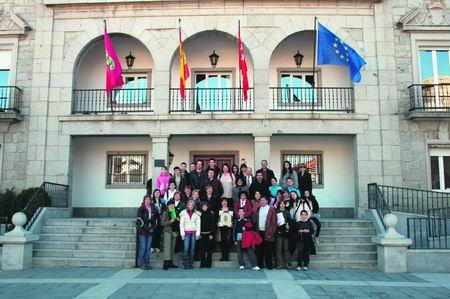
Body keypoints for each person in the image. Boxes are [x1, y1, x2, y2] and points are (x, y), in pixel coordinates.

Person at [253, 196, 277, 270]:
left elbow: (274, 223)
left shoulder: (271, 209)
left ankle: (269, 265)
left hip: (268, 232)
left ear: (267, 201)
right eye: (261, 200)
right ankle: (260, 264)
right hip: (259, 231)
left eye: (264, 200)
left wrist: (271, 233)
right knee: (259, 249)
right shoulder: (259, 209)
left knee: (268, 250)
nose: (262, 201)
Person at [136, 195, 158, 270]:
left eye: (149, 199)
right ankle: (142, 263)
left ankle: (147, 262)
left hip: (150, 231)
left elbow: (155, 220)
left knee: (148, 248)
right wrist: (147, 228)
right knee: (143, 247)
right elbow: (139, 221)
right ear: (144, 200)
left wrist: (152, 228)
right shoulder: (141, 209)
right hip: (143, 231)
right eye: (146, 199)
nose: (148, 201)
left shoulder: (153, 208)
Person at [179, 200, 201, 269]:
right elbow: (181, 224)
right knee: (186, 248)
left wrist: (198, 234)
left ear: (194, 206)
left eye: (192, 205)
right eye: (189, 205)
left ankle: (190, 264)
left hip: (194, 233)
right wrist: (182, 234)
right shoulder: (183, 213)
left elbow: (198, 224)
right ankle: (185, 263)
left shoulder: (197, 214)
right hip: (186, 233)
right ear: (187, 205)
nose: (191, 206)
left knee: (192, 249)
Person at [160, 199, 179, 270]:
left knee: (172, 248)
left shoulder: (175, 212)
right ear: (168, 206)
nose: (171, 205)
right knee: (167, 247)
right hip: (167, 231)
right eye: (170, 204)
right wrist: (170, 221)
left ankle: (170, 262)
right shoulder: (166, 212)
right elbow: (162, 223)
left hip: (174, 232)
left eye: (173, 204)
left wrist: (177, 219)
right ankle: (165, 263)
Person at [275, 200, 292, 269]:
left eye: (283, 204)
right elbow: (273, 221)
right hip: (278, 232)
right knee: (278, 248)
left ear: (285, 205)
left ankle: (288, 263)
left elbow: (290, 222)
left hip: (286, 232)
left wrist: (287, 223)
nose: (282, 205)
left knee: (286, 248)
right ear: (279, 205)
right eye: (280, 204)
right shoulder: (276, 212)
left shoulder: (287, 212)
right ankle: (279, 264)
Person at [199, 202, 216, 268]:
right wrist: (199, 233)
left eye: (205, 207)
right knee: (202, 250)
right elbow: (198, 225)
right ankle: (202, 263)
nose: (204, 208)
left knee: (209, 249)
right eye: (203, 207)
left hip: (209, 234)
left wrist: (212, 233)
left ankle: (208, 263)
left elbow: (213, 224)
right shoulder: (200, 215)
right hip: (202, 234)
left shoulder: (211, 214)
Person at [151, 189, 165, 253]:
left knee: (158, 233)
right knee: (154, 233)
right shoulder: (151, 201)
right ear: (154, 194)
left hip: (160, 218)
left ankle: (157, 246)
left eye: (158, 192)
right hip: (154, 219)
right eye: (156, 192)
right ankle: (152, 246)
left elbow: (164, 209)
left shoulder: (162, 201)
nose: (157, 194)